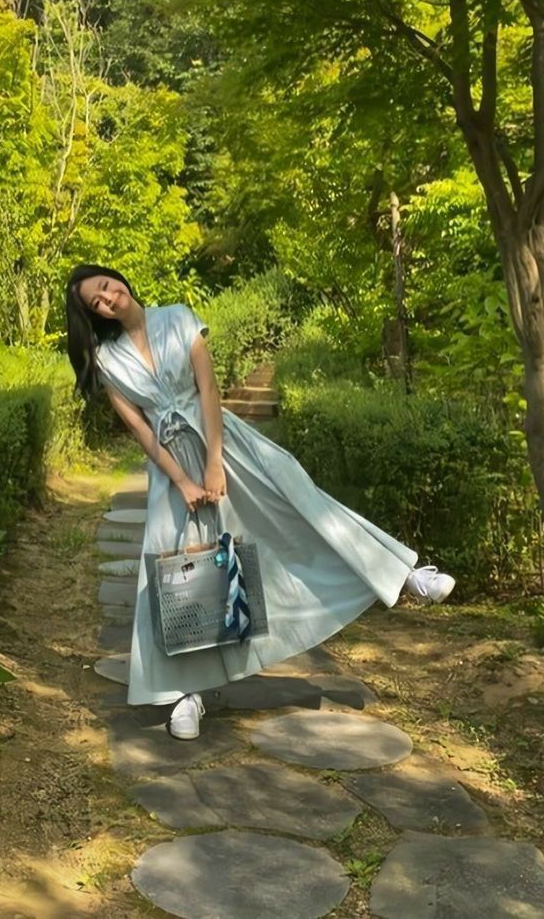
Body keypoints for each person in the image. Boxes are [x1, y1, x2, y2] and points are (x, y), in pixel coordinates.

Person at [65, 263, 455, 741]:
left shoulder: (178, 317)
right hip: (173, 472)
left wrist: (212, 463)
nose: (107, 299)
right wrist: (184, 481)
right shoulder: (108, 360)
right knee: (177, 573)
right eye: (95, 303)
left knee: (299, 507)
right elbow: (142, 430)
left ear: (118, 278)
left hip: (225, 445)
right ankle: (187, 694)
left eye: (106, 287)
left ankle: (402, 575)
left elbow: (207, 388)